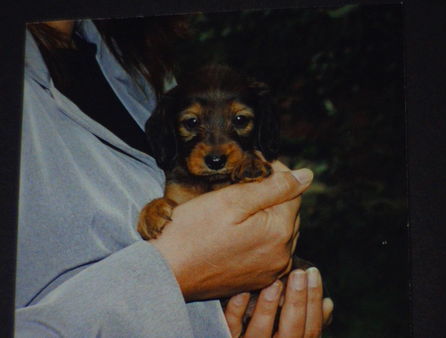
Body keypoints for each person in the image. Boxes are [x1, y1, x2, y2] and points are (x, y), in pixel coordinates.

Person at [15, 17, 333, 337]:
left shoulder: (136, 63)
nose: (216, 149)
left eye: (239, 120)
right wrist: (174, 270)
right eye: (193, 124)